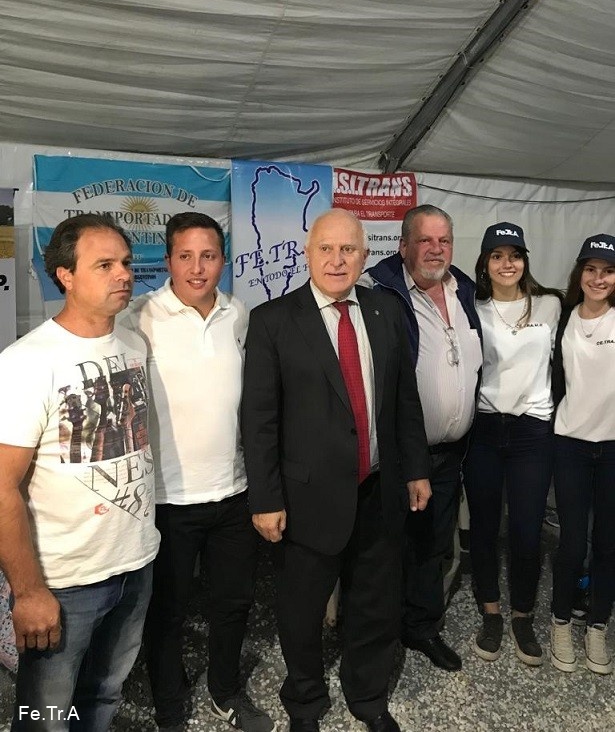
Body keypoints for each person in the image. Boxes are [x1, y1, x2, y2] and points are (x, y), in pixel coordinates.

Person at [241, 208, 431, 732]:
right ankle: (305, 701)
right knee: (301, 612)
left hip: (379, 490)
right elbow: (258, 420)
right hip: (306, 499)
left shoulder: (385, 311)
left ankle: (368, 698)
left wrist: (416, 468)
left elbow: (404, 399)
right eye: (325, 248)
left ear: (365, 257)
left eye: (348, 250)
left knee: (375, 605)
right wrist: (265, 499)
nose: (336, 260)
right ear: (307, 254)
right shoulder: (273, 320)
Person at [0, 214, 160, 731]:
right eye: (105, 265)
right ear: (65, 275)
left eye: (127, 263)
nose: (124, 275)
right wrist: (28, 591)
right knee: (46, 716)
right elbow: (1, 487)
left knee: (104, 695)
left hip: (134, 562)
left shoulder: (133, 345)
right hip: (65, 581)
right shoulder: (25, 363)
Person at [123, 213, 274, 732]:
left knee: (234, 603)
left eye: (208, 256)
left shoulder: (239, 314)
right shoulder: (139, 318)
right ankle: (168, 700)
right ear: (167, 261)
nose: (196, 268)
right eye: (185, 256)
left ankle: (224, 691)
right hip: (167, 498)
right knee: (167, 610)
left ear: (223, 260)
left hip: (233, 492)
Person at [364, 204, 482, 672]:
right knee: (385, 547)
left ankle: (421, 627)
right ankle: (377, 635)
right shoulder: (381, 293)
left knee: (433, 544)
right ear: (403, 246)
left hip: (451, 453)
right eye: (425, 240)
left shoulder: (464, 290)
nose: (436, 249)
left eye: (444, 240)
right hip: (397, 453)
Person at [464, 222, 561, 666]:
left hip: (532, 432)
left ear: (525, 261)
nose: (508, 264)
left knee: (526, 529)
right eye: (498, 255)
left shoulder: (550, 304)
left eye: (515, 255)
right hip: (485, 428)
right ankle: (491, 612)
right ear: (485, 263)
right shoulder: (472, 307)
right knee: (484, 527)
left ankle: (523, 615)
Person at [550, 233, 615, 675]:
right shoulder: (563, 319)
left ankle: (597, 625)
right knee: (572, 541)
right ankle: (560, 621)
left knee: (608, 543)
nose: (599, 278)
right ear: (579, 274)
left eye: (608, 271)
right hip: (571, 444)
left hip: (612, 449)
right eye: (591, 269)